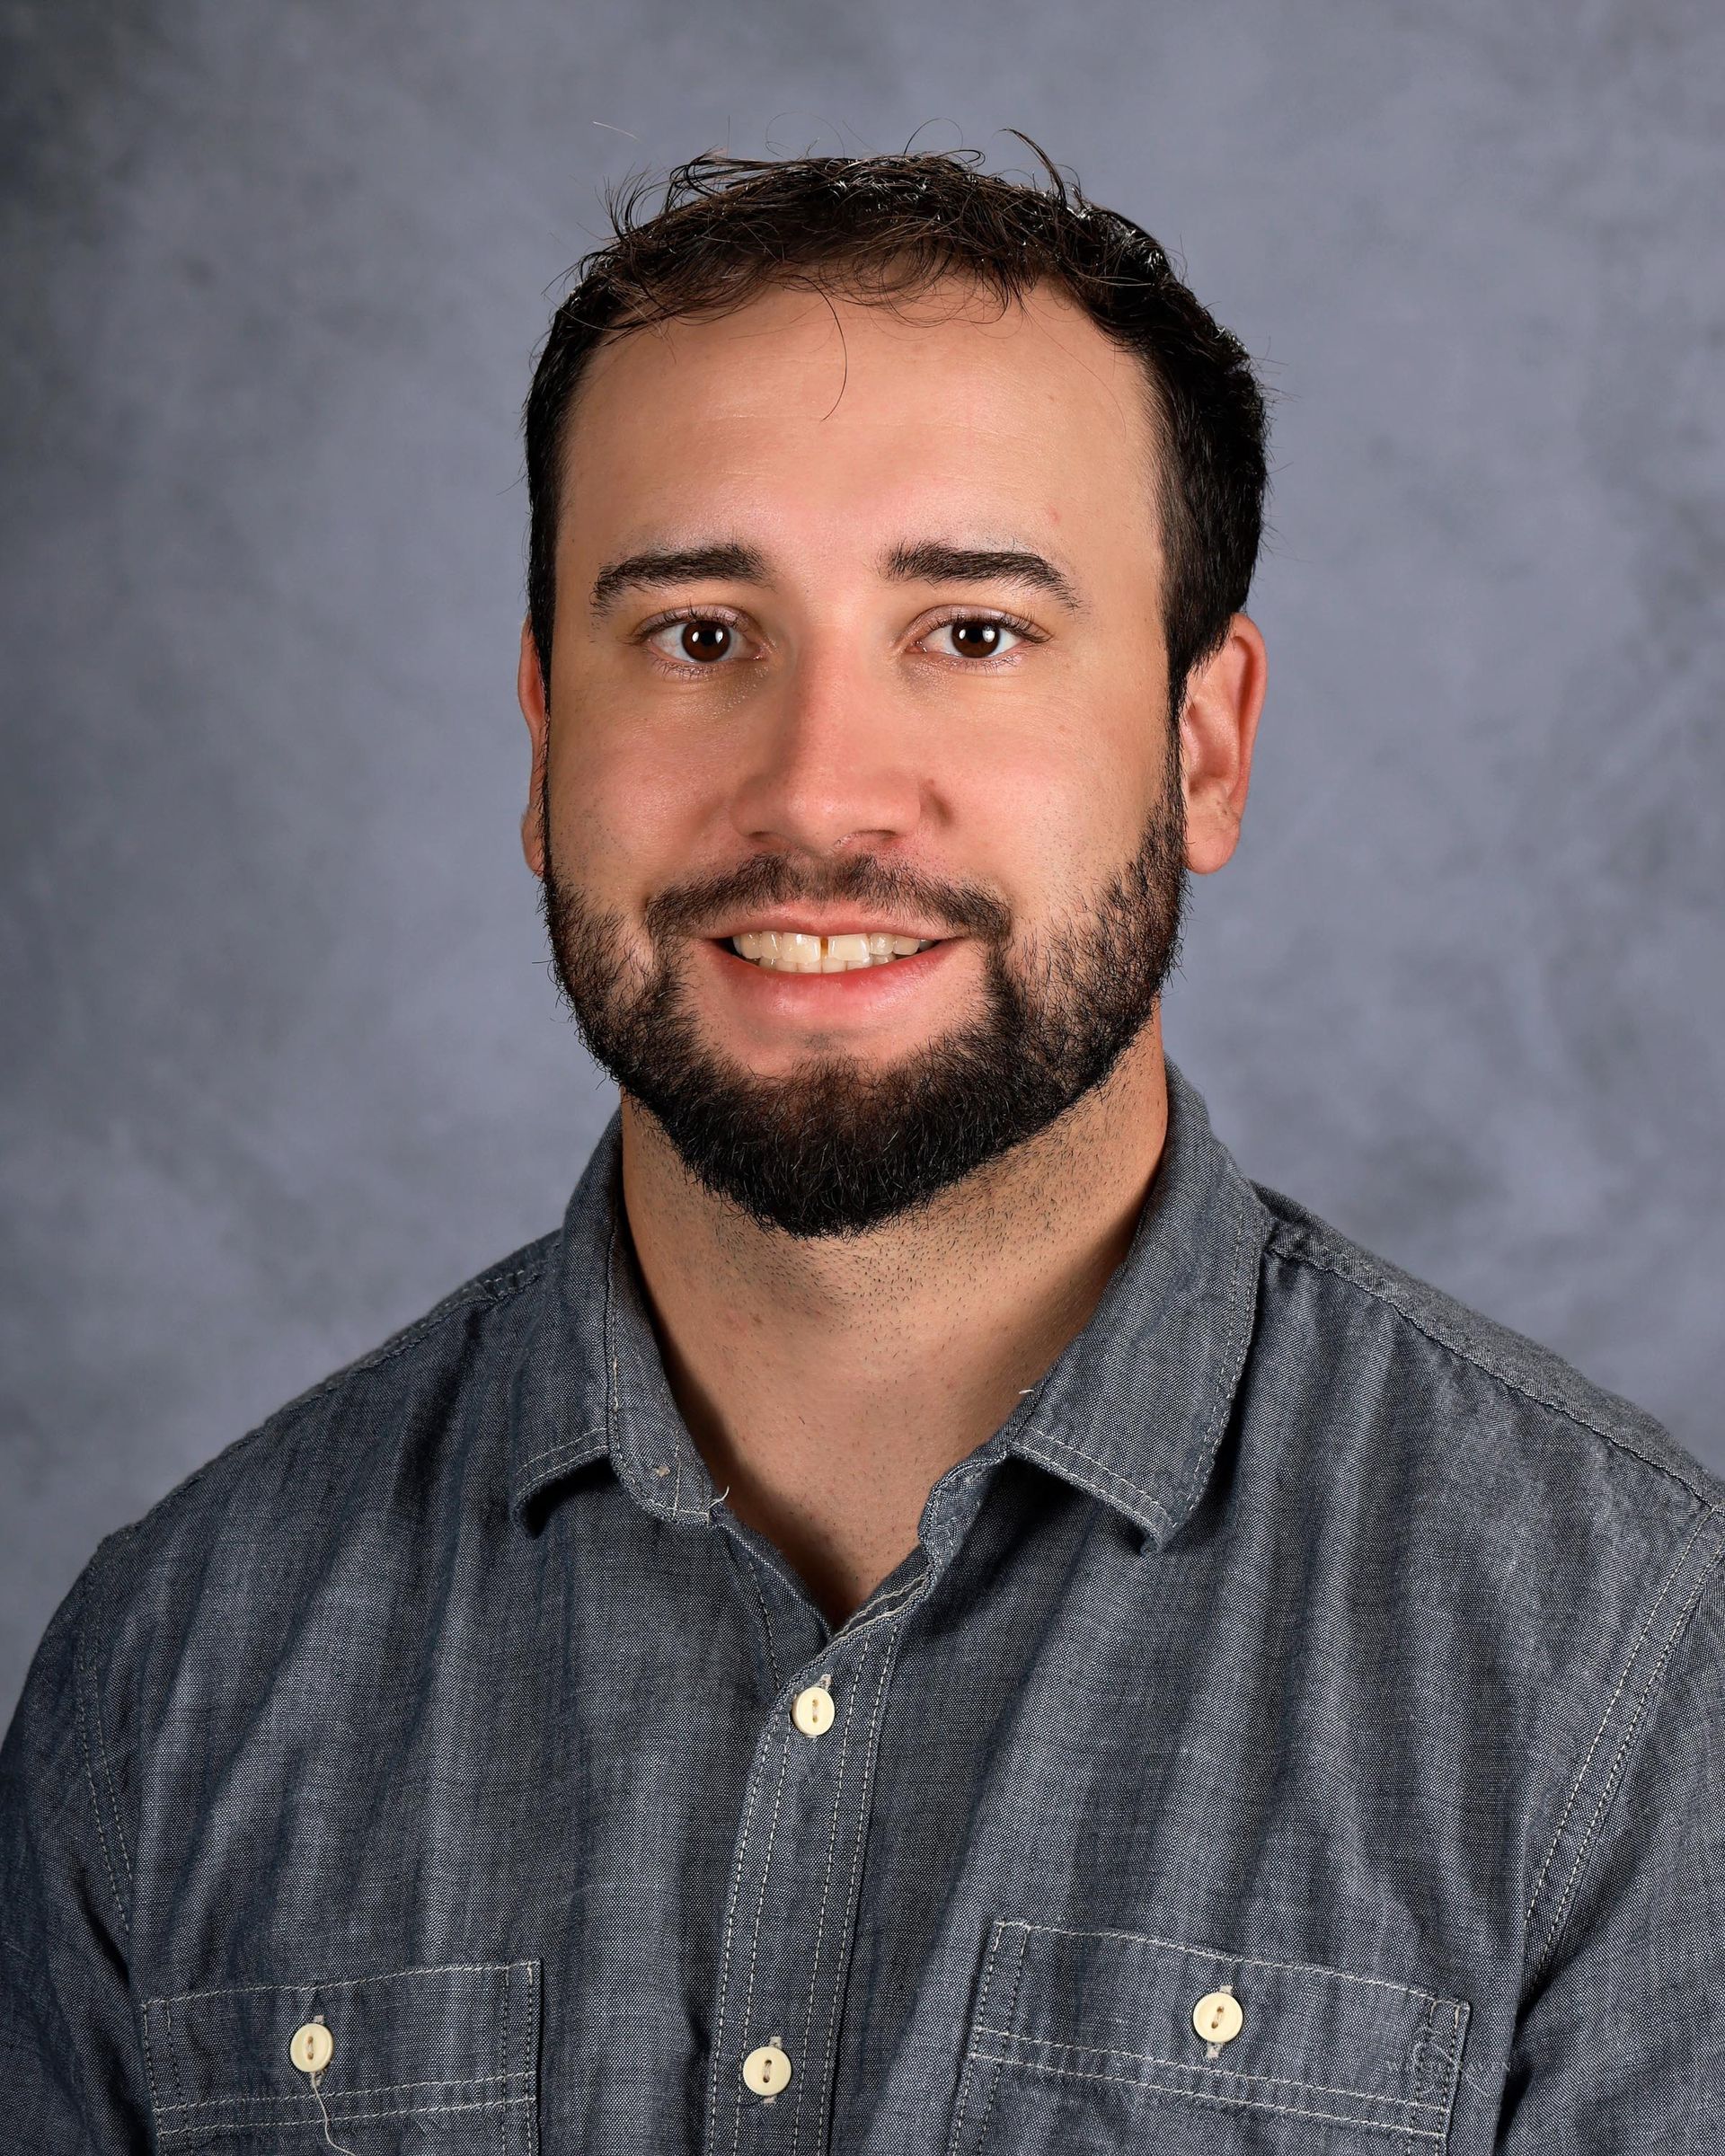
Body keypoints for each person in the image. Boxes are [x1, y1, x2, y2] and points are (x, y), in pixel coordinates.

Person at [2, 143, 1720, 2156]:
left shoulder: (1629, 1664)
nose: (819, 795)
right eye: (702, 637)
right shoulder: (173, 1672)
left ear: (1204, 746)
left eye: (975, 634)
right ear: (545, 742)